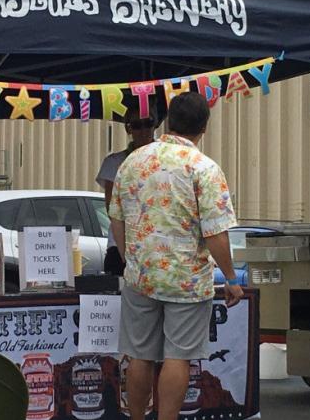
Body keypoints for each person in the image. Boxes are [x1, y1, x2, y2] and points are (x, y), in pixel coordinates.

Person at [109, 92, 243, 420]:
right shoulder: (204, 168)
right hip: (186, 279)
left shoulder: (134, 161)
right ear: (204, 127)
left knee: (139, 355)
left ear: (167, 121)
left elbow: (116, 218)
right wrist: (230, 277)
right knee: (177, 357)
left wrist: (129, 259)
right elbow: (215, 233)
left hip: (140, 276)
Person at [96, 106, 156, 275]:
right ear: (128, 128)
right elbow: (112, 209)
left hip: (157, 245)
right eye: (137, 125)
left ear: (155, 125)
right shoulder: (115, 162)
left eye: (148, 123)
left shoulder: (168, 159)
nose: (143, 130)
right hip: (121, 244)